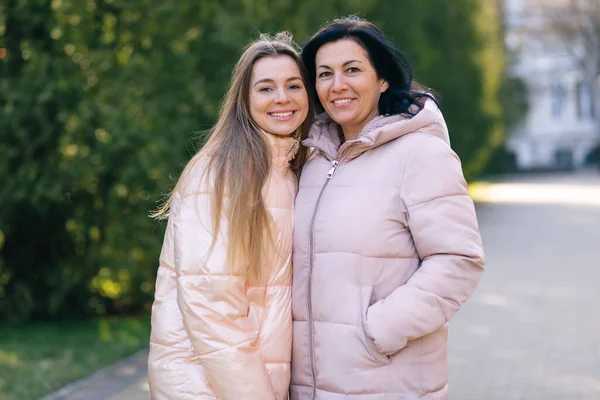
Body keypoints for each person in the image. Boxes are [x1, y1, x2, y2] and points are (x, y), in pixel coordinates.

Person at [290, 16, 485, 400]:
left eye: (352, 70)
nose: (337, 85)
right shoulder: (310, 162)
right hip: (309, 386)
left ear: (382, 80)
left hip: (386, 381)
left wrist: (378, 331)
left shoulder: (421, 153)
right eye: (324, 73)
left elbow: (459, 260)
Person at [147, 32, 313, 400]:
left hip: (247, 379)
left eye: (293, 85)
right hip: (206, 386)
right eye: (266, 88)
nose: (282, 98)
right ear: (245, 99)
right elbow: (212, 305)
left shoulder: (286, 169)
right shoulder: (219, 172)